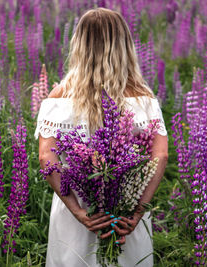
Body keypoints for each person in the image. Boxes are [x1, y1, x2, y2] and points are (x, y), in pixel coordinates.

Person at [35, 7, 168, 267]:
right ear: (124, 46)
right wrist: (137, 211)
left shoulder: (58, 97)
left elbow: (45, 157)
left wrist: (80, 213)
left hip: (76, 212)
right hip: (125, 214)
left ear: (79, 45)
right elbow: (160, 155)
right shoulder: (143, 98)